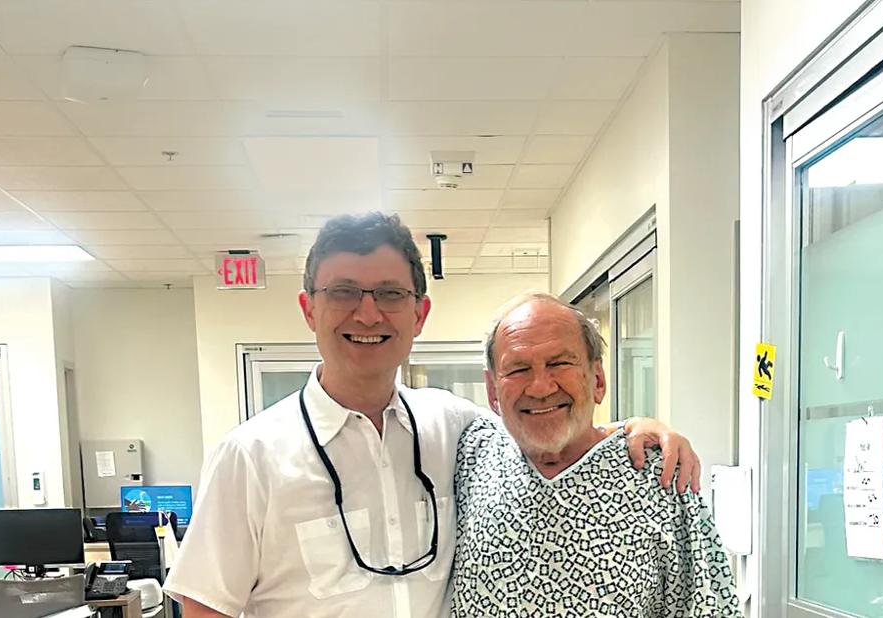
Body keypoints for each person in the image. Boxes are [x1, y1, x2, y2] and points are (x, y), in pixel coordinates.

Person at [164, 212, 702, 618]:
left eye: (390, 294)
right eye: (344, 292)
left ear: (419, 313)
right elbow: (206, 607)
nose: (367, 313)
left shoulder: (455, 430)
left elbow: (546, 422)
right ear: (309, 309)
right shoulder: (249, 457)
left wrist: (637, 430)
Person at [453, 293, 741, 617]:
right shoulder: (470, 456)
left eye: (560, 363)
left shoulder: (661, 477)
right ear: (492, 391)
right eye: (518, 369)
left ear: (598, 380)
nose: (540, 387)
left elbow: (707, 607)